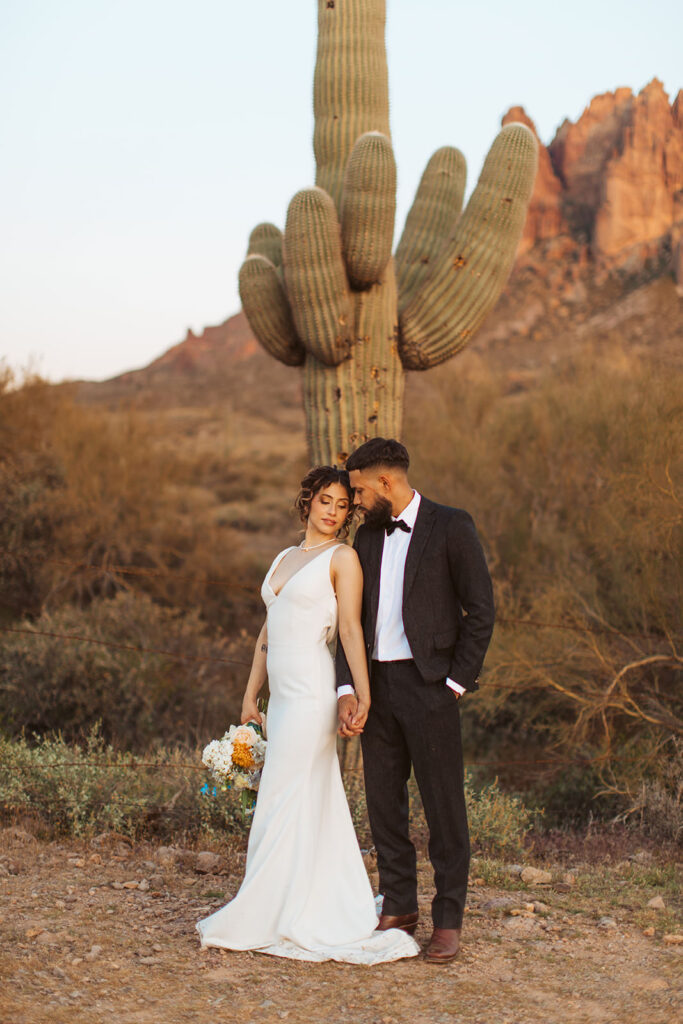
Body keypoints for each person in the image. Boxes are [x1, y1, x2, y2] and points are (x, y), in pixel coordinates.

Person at [196, 466, 419, 965]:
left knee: (280, 795)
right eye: (325, 500)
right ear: (307, 502)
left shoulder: (343, 559)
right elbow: (266, 634)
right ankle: (289, 897)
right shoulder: (283, 556)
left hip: (314, 693)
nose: (333, 512)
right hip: (283, 696)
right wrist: (251, 697)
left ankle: (265, 910)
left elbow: (350, 630)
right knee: (298, 797)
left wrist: (362, 694)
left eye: (343, 505)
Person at [336, 438, 495, 964]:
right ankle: (400, 906)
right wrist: (349, 688)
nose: (354, 499)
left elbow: (481, 611)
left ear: (386, 482)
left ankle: (448, 920)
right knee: (384, 805)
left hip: (430, 688)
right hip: (375, 689)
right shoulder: (366, 537)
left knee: (444, 809)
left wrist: (454, 684)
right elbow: (349, 622)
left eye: (358, 489)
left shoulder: (452, 526)